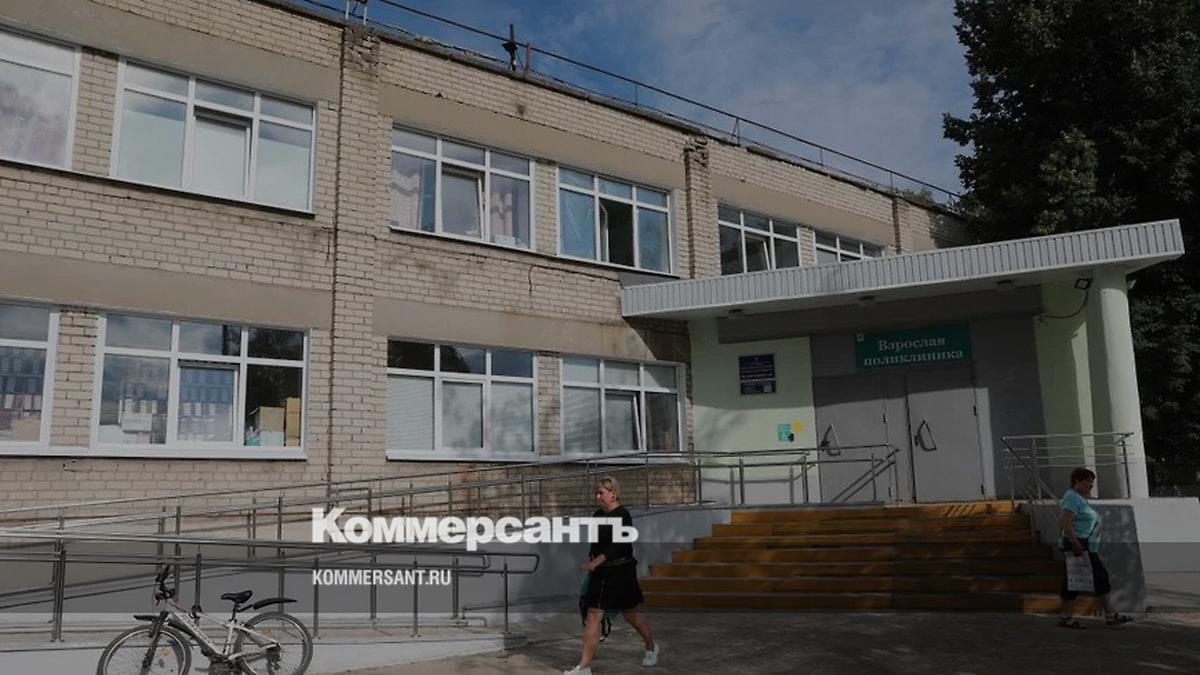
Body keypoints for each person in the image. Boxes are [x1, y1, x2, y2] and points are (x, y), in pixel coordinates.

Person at [563, 476, 659, 675]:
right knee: (593, 616)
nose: (598, 497)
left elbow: (617, 546)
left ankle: (651, 646)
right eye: (596, 493)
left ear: (613, 493)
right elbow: (595, 544)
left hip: (621, 572)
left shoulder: (623, 515)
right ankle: (584, 667)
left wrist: (594, 563)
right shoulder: (598, 515)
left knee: (630, 613)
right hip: (601, 574)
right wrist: (592, 563)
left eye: (601, 493)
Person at [1057, 467, 1134, 628]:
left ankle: (1110, 614)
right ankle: (1066, 616)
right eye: (1088, 482)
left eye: (1092, 483)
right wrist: (1075, 543)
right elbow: (1065, 521)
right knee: (1076, 579)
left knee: (1098, 577)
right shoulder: (1072, 498)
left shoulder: (1079, 498)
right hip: (1078, 543)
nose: (1090, 486)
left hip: (1085, 543)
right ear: (1077, 481)